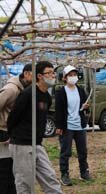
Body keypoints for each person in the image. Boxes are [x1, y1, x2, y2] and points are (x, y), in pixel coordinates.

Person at [7, 61, 63, 194]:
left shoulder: (47, 97)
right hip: (22, 144)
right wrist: (13, 135)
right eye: (49, 73)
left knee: (50, 177)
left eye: (53, 73)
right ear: (39, 76)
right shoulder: (28, 94)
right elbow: (13, 117)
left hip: (37, 143)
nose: (52, 76)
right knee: (25, 181)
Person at [55, 65, 91, 186]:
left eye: (75, 75)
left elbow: (85, 106)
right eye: (70, 75)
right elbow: (59, 110)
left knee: (82, 150)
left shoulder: (80, 90)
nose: (73, 77)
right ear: (65, 78)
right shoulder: (61, 92)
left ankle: (84, 172)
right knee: (66, 151)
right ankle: (64, 174)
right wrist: (59, 126)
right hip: (67, 126)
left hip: (79, 125)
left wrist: (86, 107)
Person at [0, 64, 32, 194]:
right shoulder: (11, 89)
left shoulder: (23, 89)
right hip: (3, 133)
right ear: (26, 74)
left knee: (13, 167)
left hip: (12, 133)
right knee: (5, 167)